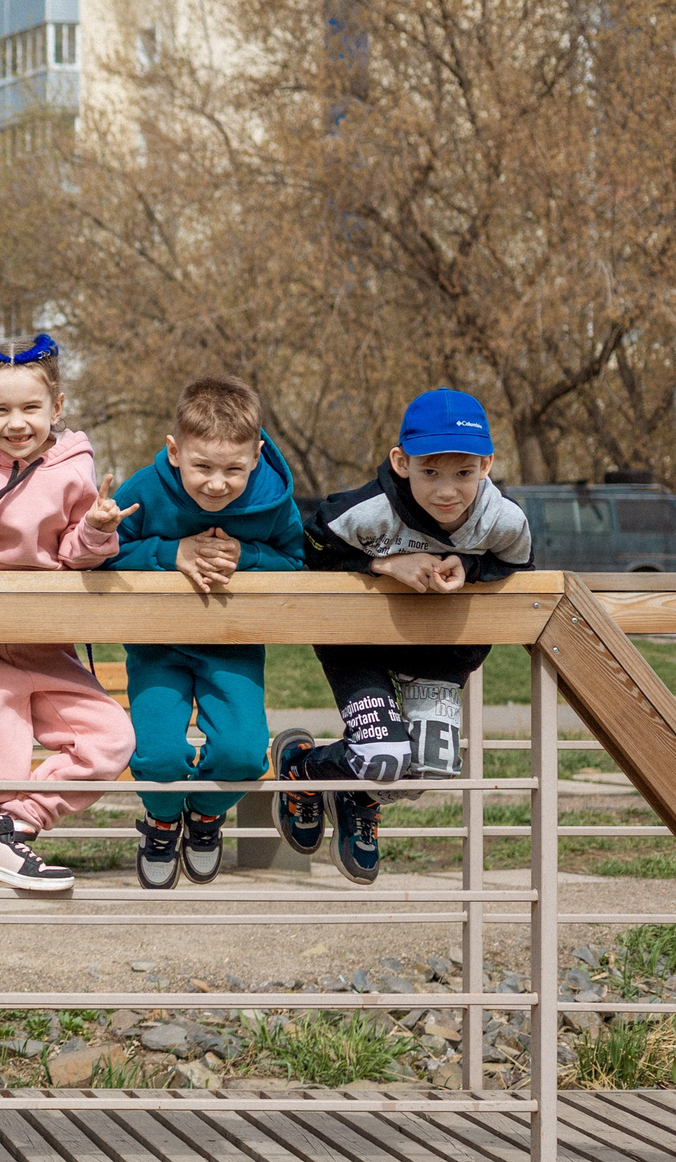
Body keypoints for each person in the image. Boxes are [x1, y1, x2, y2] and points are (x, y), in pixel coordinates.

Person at [276, 388, 532, 884]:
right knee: (382, 754)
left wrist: (471, 565)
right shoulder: (366, 511)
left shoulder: (504, 520)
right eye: (429, 472)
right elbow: (305, 548)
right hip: (358, 644)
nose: (446, 491)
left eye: (463, 473)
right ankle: (300, 770)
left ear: (486, 465)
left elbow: (518, 568)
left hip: (442, 652)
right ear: (401, 461)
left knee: (433, 767)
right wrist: (381, 563)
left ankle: (355, 796)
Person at [0, 333, 135, 897]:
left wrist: (97, 529)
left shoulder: (74, 462)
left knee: (111, 738)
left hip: (45, 639)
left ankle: (8, 825)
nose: (16, 423)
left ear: (57, 408)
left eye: (30, 408)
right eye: (0, 411)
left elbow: (72, 552)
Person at [104, 376, 305, 889]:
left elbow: (296, 561)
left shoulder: (274, 499)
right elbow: (101, 554)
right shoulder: (144, 491)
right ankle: (162, 822)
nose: (217, 484)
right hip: (157, 645)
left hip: (232, 645)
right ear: (174, 452)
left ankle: (207, 815)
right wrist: (169, 554)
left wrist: (248, 557)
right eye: (203, 467)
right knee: (158, 753)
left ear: (256, 456)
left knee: (243, 752)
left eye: (234, 469)